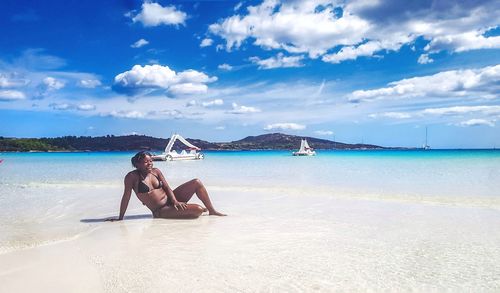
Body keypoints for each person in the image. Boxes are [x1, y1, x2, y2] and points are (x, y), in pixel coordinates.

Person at [108, 151, 225, 221]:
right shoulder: (132, 177)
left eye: (151, 161)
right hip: (160, 210)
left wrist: (174, 201)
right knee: (198, 210)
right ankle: (192, 209)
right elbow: (126, 196)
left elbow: (167, 188)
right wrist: (120, 217)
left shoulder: (156, 171)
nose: (149, 164)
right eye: (146, 162)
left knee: (196, 182)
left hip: (171, 200)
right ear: (137, 164)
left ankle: (212, 211)